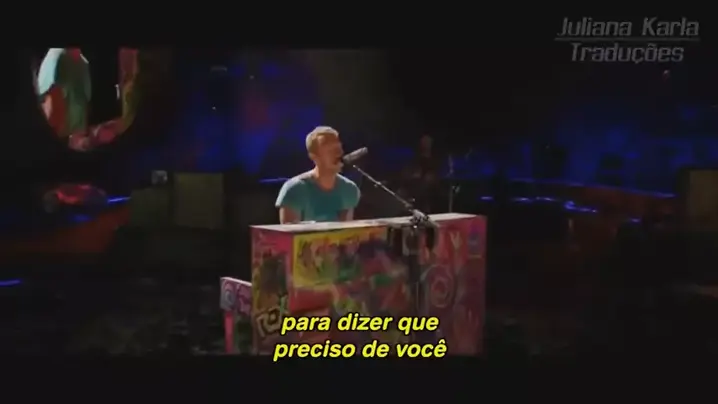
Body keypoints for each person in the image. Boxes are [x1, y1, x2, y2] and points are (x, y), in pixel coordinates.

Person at [275, 126, 361, 223]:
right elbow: (289, 231)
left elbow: (346, 230)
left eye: (339, 148)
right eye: (331, 150)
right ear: (314, 157)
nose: (339, 154)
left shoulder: (349, 189)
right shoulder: (294, 189)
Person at [36, 48, 91, 139]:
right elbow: (88, 92)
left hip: (61, 115)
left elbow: (43, 91)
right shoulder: (83, 62)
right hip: (77, 114)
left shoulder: (53, 57)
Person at [399, 134, 441, 213]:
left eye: (427, 142)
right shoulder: (415, 159)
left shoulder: (435, 159)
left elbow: (436, 174)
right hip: (418, 185)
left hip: (431, 188)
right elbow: (409, 172)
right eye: (423, 142)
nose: (425, 144)